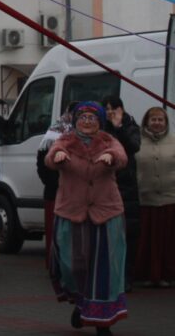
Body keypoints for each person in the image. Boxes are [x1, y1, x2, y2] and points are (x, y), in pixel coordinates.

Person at [45, 102, 128, 334]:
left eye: (93, 118)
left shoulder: (109, 141)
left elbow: (122, 157)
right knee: (72, 266)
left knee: (104, 269)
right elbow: (50, 158)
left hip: (106, 212)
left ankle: (103, 322)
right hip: (72, 212)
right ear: (76, 121)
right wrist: (58, 155)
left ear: (100, 122)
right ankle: (81, 304)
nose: (88, 122)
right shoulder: (65, 140)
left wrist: (111, 156)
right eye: (83, 117)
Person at [102, 95, 141, 291]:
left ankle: (126, 277)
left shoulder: (130, 125)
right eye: (107, 109)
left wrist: (119, 128)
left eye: (113, 109)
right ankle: (111, 276)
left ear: (121, 109)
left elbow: (134, 146)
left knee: (129, 234)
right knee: (110, 236)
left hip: (127, 186)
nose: (110, 113)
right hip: (107, 185)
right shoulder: (101, 128)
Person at [135, 106, 175, 286]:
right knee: (147, 241)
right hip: (145, 198)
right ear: (147, 122)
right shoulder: (137, 143)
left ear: (166, 122)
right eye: (154, 120)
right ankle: (146, 276)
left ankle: (169, 275)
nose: (157, 123)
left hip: (170, 198)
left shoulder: (174, 142)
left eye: (160, 120)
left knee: (168, 241)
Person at [36, 104, 75, 267]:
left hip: (77, 193)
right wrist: (57, 183)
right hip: (55, 192)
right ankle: (56, 264)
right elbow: (42, 164)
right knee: (56, 231)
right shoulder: (54, 134)